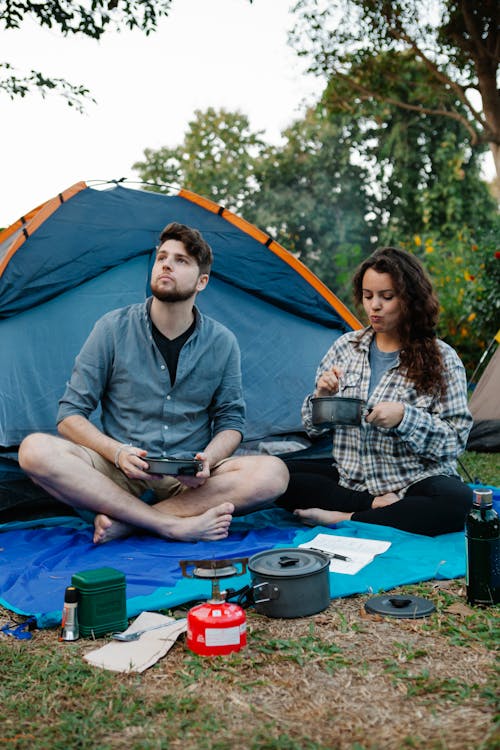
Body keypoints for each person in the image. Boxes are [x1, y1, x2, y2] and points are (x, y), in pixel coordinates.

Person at [19, 222, 289, 544]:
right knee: (34, 450)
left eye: (181, 260)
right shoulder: (112, 328)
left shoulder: (222, 342)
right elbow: (70, 415)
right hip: (118, 472)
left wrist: (208, 460)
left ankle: (131, 522)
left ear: (202, 281)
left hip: (188, 480)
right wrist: (116, 452)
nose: (166, 264)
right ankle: (170, 524)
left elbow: (231, 421)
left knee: (274, 474)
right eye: (162, 257)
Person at [277, 246, 473, 536]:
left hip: (413, 481)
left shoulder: (442, 359)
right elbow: (314, 429)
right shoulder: (346, 347)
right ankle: (372, 508)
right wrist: (322, 397)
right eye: (368, 296)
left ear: (410, 300)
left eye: (386, 297)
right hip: (352, 480)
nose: (374, 307)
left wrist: (405, 418)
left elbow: (454, 442)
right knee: (277, 475)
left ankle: (344, 517)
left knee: (457, 501)